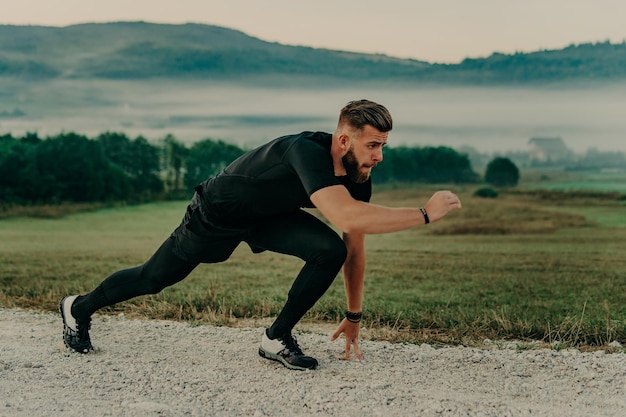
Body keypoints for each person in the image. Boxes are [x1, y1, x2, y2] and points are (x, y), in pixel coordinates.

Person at [60, 99, 462, 371]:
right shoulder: (305, 150)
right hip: (218, 210)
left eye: (384, 145)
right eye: (373, 145)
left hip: (268, 215)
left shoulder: (357, 177)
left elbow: (353, 242)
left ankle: (276, 338)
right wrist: (425, 214)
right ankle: (78, 308)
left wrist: (353, 315)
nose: (379, 156)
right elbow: (344, 213)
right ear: (344, 140)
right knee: (155, 278)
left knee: (328, 250)